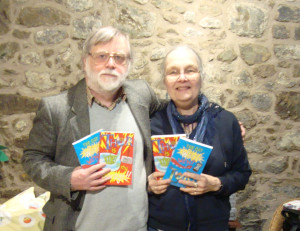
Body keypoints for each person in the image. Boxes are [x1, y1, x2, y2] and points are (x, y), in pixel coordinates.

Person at [22, 26, 163, 231]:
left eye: (120, 58)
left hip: (137, 226)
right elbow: (32, 159)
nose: (111, 64)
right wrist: (69, 178)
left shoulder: (142, 95)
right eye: (102, 56)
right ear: (85, 61)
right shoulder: (56, 109)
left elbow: (173, 113)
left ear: (129, 64)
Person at [147, 45, 252, 231]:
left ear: (201, 76)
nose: (182, 77)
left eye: (190, 70)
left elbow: (242, 174)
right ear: (165, 81)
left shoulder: (226, 122)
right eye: (173, 72)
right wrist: (148, 185)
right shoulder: (151, 123)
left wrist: (216, 184)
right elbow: (135, 174)